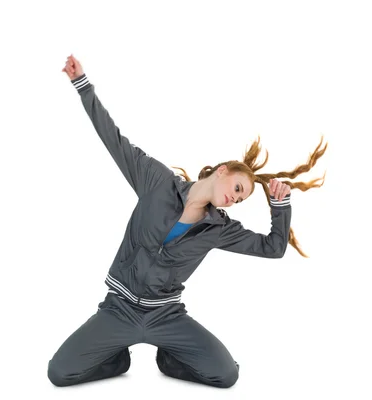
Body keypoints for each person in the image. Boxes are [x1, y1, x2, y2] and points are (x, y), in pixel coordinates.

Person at [48, 54, 327, 389]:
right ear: (223, 171)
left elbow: (273, 248)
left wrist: (280, 207)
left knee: (226, 375)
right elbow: (113, 138)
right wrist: (83, 85)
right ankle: (117, 357)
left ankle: (169, 357)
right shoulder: (156, 180)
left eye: (240, 200)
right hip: (118, 310)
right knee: (60, 373)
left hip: (166, 316)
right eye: (237, 188)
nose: (234, 199)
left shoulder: (219, 228)